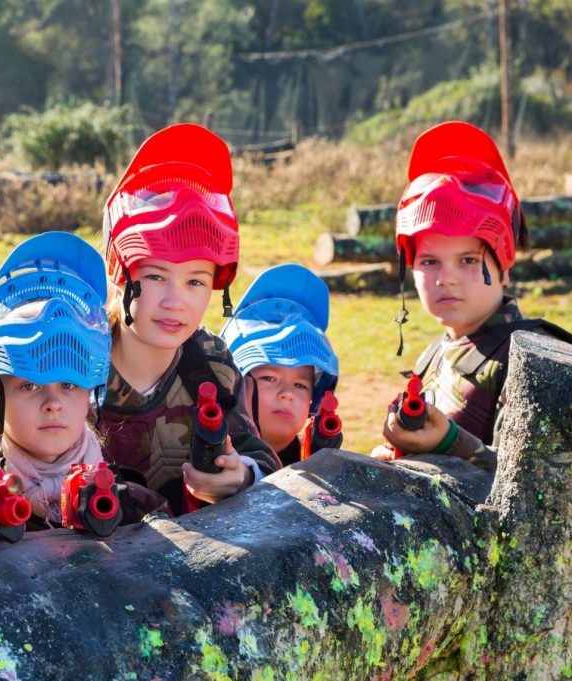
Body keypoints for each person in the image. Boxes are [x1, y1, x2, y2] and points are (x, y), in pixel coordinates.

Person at [98, 123, 281, 514]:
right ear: (120, 270)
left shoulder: (209, 362)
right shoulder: (78, 365)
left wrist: (241, 475)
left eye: (196, 281)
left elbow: (261, 458)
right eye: (156, 276)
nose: (176, 302)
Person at [375, 121, 572, 470]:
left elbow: (540, 491)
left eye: (467, 260)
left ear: (503, 266)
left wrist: (453, 444)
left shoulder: (537, 363)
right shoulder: (438, 352)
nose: (445, 279)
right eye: (430, 261)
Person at [0, 232, 114, 525]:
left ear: (91, 394)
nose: (53, 404)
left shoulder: (127, 500)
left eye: (69, 384)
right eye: (29, 385)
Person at [220, 264, 340, 466]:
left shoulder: (320, 464)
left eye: (300, 385)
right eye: (269, 378)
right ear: (235, 386)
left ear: (315, 399)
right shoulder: (205, 463)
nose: (287, 394)